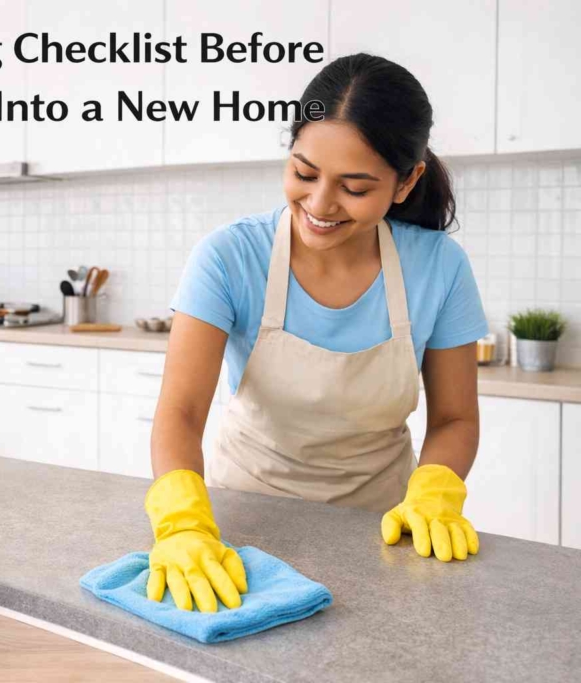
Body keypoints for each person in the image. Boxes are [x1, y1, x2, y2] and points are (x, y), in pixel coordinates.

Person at [144, 53, 489, 614]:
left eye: (354, 187)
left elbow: (455, 418)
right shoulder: (231, 256)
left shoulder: (440, 267)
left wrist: (436, 492)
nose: (320, 204)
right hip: (242, 524)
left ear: (407, 183)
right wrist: (183, 523)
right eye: (304, 174)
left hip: (383, 531)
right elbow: (180, 412)